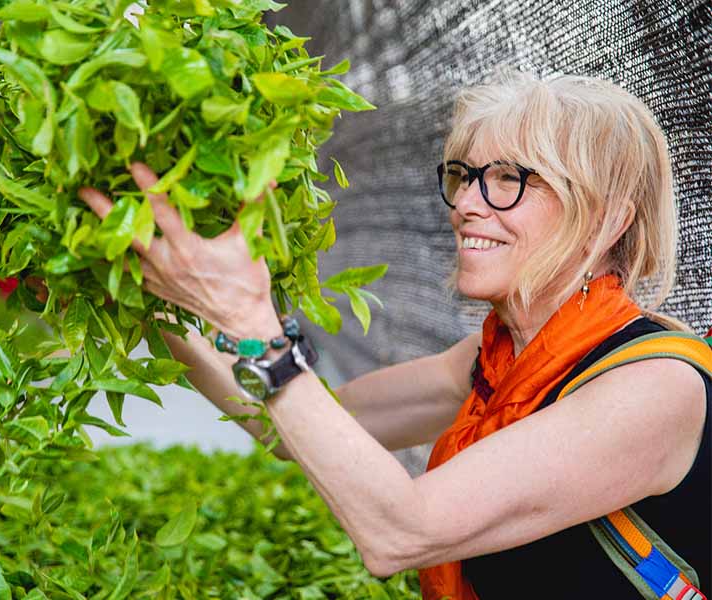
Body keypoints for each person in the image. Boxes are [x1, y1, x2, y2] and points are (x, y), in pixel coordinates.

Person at [78, 72, 710, 598]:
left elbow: (403, 531)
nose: (466, 202)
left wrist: (251, 323)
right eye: (465, 174)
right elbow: (288, 424)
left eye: (512, 178)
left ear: (606, 218)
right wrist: (152, 299)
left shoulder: (652, 390)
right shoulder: (491, 361)